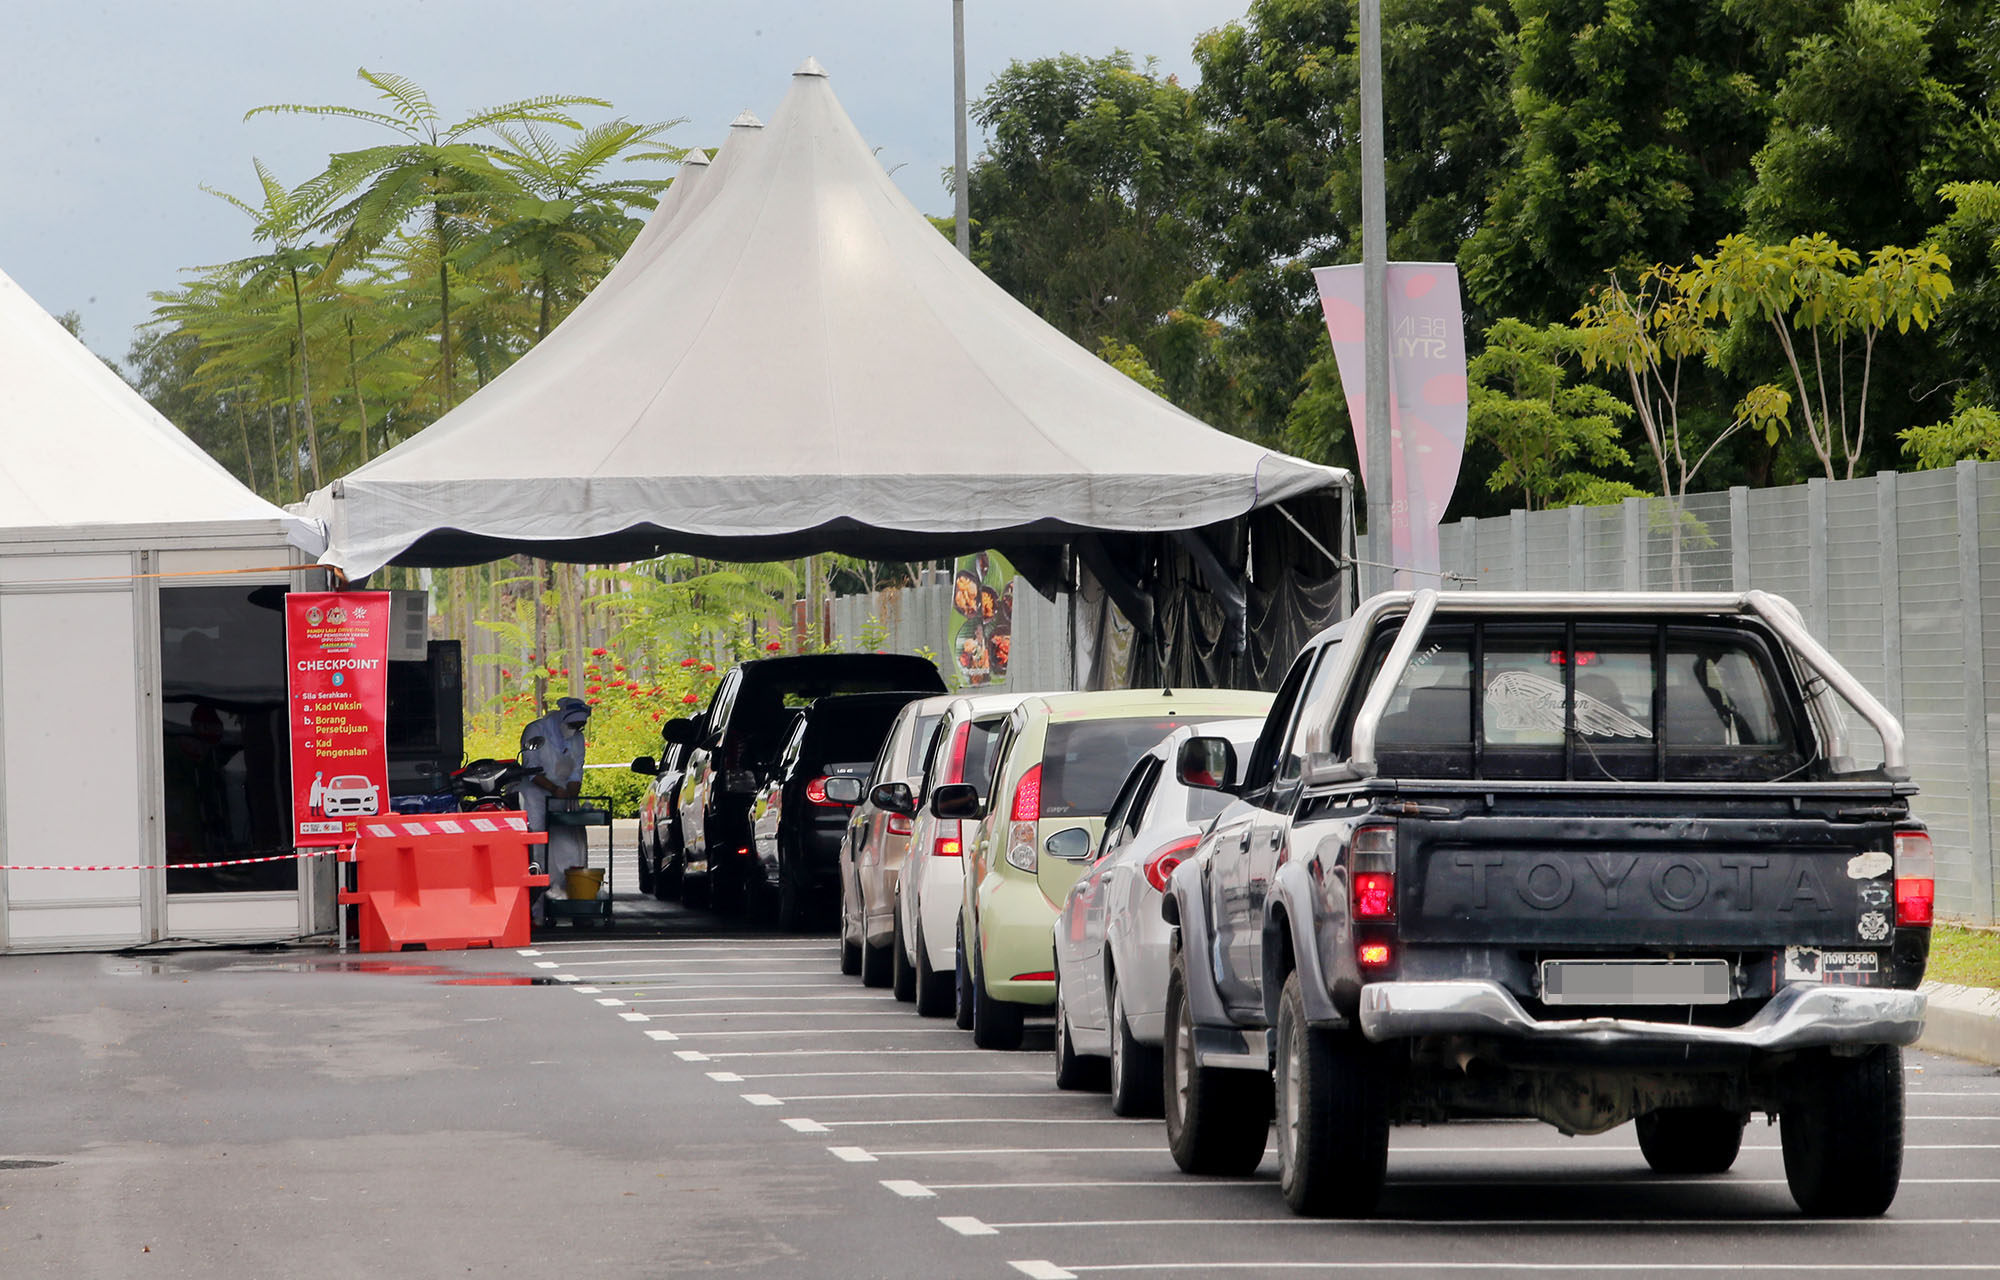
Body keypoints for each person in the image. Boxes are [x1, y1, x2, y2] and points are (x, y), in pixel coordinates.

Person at [519, 696, 592, 924]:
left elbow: (575, 771)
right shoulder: (536, 731)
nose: (576, 730)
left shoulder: (577, 740)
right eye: (573, 726)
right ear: (562, 720)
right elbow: (531, 770)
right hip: (535, 796)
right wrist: (552, 789)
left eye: (580, 727)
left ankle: (570, 902)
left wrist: (571, 792)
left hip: (562, 796)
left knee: (571, 847)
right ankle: (537, 911)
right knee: (539, 850)